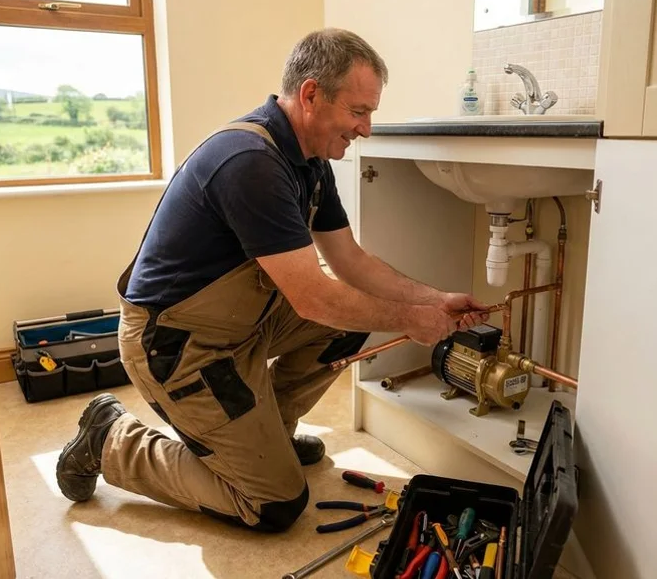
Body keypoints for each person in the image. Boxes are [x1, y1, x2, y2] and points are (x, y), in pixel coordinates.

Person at [56, 28, 489, 532]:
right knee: (273, 504)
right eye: (358, 111)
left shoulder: (309, 161)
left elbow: (350, 261)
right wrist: (412, 322)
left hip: (242, 324)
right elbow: (312, 298)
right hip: (177, 345)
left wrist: (435, 299)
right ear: (310, 94)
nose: (366, 129)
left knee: (350, 320)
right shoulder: (251, 163)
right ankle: (112, 441)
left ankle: (270, 437)